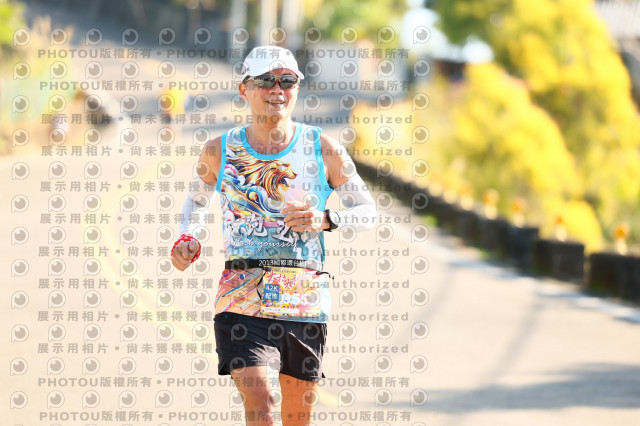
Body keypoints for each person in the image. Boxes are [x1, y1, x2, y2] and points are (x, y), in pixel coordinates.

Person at [171, 45, 376, 426]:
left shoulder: (323, 148)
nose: (277, 89)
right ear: (244, 89)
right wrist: (189, 237)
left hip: (304, 299)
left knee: (297, 416)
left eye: (287, 80)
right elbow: (196, 203)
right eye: (265, 80)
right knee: (261, 402)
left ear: (297, 87)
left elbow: (368, 211)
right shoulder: (219, 150)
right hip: (241, 294)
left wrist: (325, 219)